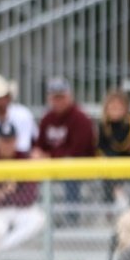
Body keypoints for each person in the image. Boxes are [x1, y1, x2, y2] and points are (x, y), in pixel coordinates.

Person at [0, 122, 46, 253]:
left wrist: (0, 194)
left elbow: (29, 197)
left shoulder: (24, 160)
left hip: (21, 209)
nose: (7, 145)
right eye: (3, 141)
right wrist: (7, 190)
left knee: (39, 219)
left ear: (16, 140)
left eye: (10, 140)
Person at [30, 77, 95, 219]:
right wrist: (39, 154)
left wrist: (49, 156)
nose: (58, 101)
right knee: (31, 165)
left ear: (69, 96)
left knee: (70, 170)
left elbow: (77, 151)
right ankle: (36, 216)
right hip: (53, 164)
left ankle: (71, 219)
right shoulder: (48, 118)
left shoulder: (81, 118)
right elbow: (40, 145)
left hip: (79, 167)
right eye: (55, 97)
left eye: (61, 97)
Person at [96, 89, 130, 208]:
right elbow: (101, 149)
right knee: (107, 171)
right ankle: (111, 207)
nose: (115, 108)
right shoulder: (103, 125)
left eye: (118, 105)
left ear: (126, 107)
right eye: (112, 105)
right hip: (112, 169)